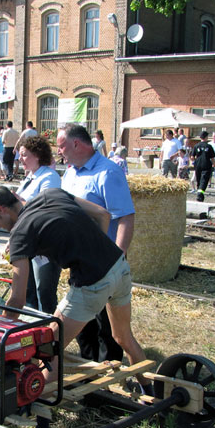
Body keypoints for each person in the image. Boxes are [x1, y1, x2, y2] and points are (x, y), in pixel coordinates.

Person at [0, 185, 149, 428]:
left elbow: (17, 299)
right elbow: (103, 215)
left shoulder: (20, 232)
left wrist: (1, 329)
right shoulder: (50, 193)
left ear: (0, 209)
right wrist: (92, 254)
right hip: (118, 265)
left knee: (49, 350)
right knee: (123, 336)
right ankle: (150, 393)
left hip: (93, 283)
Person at [58, 123, 134, 363]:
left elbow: (125, 217)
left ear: (76, 144)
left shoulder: (108, 172)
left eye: (61, 146)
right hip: (79, 261)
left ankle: (108, 377)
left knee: (105, 326)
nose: (59, 152)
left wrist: (117, 258)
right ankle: (88, 372)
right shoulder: (70, 172)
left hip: (103, 264)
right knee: (85, 325)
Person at [16, 135, 62, 314]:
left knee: (44, 291)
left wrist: (18, 201)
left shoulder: (49, 177)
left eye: (24, 155)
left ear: (37, 155)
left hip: (44, 245)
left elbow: (47, 207)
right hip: (28, 242)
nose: (20, 159)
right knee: (29, 292)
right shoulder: (30, 177)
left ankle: (50, 334)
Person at [191, 131, 215, 202]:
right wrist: (214, 164)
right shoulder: (209, 146)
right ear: (206, 137)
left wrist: (194, 162)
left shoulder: (196, 146)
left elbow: (192, 157)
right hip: (206, 164)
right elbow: (212, 157)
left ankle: (200, 195)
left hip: (198, 164)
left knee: (198, 179)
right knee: (204, 180)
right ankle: (200, 194)